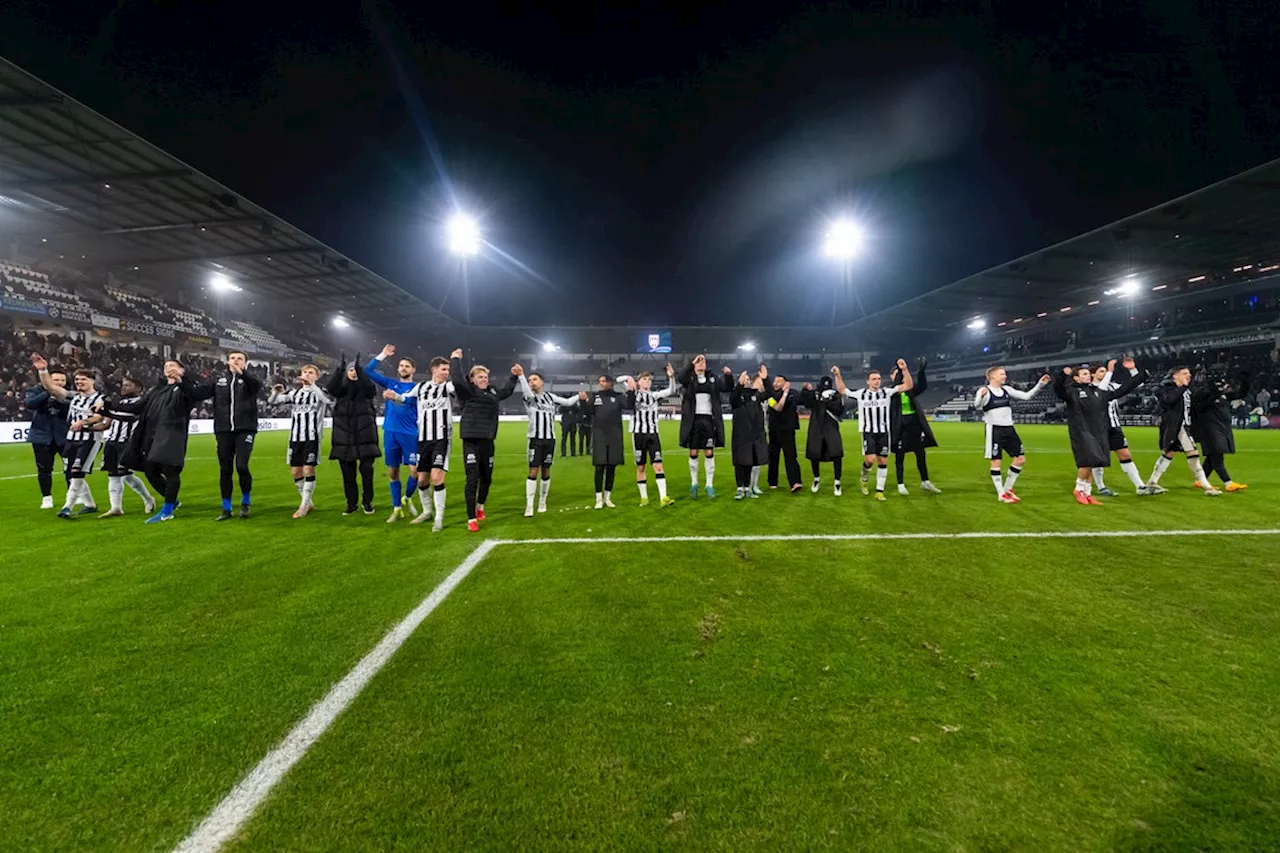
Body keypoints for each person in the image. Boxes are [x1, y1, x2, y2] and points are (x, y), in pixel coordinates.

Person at [114, 359, 204, 523]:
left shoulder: (187, 388)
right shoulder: (158, 389)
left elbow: (193, 397)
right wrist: (107, 406)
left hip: (171, 435)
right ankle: (173, 501)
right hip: (150, 435)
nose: (168, 368)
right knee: (150, 470)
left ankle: (167, 510)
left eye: (173, 366)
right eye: (166, 366)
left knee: (171, 471)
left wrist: (181, 382)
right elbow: (137, 407)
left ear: (182, 370)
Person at [1052, 359, 1148, 504]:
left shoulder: (1098, 392)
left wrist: (1142, 375)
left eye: (1087, 374)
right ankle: (1079, 489)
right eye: (1084, 374)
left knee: (1094, 462)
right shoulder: (1071, 392)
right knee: (1087, 461)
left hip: (1098, 431)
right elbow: (1058, 389)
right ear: (1076, 378)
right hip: (1082, 431)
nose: (1088, 376)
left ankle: (1088, 493)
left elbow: (1123, 390)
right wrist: (1062, 375)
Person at [451, 349, 519, 531]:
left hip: (488, 441)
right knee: (472, 479)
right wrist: (455, 359)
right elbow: (456, 379)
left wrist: (514, 377)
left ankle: (480, 506)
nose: (484, 379)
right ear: (472, 379)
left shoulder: (493, 392)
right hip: (471, 440)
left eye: (485, 376)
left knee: (487, 478)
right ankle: (471, 518)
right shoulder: (467, 391)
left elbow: (506, 391)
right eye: (480, 377)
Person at [386, 356, 456, 529]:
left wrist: (457, 361)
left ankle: (439, 517)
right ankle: (427, 511)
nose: (446, 373)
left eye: (448, 370)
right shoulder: (422, 387)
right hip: (423, 439)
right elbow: (407, 400)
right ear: (434, 369)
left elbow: (460, 385)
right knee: (422, 479)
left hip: (442, 438)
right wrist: (393, 395)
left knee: (436, 476)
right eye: (443, 369)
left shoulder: (448, 387)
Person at [31, 355, 103, 518]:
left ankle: (67, 507)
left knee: (76, 471)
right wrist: (43, 370)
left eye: (83, 379)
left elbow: (99, 417)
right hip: (71, 439)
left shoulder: (101, 398)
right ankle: (90, 505)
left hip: (89, 440)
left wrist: (83, 422)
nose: (78, 382)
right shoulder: (73, 396)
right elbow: (51, 388)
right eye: (77, 380)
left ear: (92, 381)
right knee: (71, 470)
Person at [834, 359, 913, 501]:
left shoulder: (886, 392)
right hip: (868, 432)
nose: (877, 381)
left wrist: (905, 369)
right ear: (868, 382)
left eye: (878, 379)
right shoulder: (861, 394)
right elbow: (842, 390)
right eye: (874, 379)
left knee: (882, 461)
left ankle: (879, 491)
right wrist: (837, 375)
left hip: (883, 432)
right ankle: (864, 477)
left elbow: (908, 385)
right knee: (870, 460)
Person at [199, 350, 262, 521]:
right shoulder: (218, 380)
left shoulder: (250, 380)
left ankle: (245, 502)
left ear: (245, 363)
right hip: (223, 429)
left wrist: (244, 374)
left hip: (245, 428)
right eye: (233, 358)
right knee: (225, 469)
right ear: (227, 361)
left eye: (240, 359)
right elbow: (199, 393)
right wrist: (182, 381)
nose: (235, 361)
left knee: (241, 466)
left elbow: (257, 387)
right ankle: (226, 508)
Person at [974, 367, 1051, 503]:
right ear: (992, 377)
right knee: (996, 461)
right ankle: (1001, 494)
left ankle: (1008, 488)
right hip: (994, 429)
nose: (1005, 376)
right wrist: (981, 397)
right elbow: (977, 406)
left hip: (1009, 429)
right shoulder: (984, 390)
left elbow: (1027, 396)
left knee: (1020, 459)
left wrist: (1040, 384)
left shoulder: (1007, 390)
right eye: (1002, 374)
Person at [83, 376, 156, 518]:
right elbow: (106, 424)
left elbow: (130, 418)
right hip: (112, 442)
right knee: (114, 474)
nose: (123, 387)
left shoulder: (142, 403)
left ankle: (148, 499)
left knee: (124, 473)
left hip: (128, 443)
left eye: (128, 385)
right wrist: (87, 428)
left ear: (139, 388)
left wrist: (107, 410)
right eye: (123, 385)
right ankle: (116, 508)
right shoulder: (119, 402)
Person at [268, 364, 334, 519]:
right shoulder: (295, 393)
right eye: (305, 372)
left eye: (311, 373)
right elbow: (272, 401)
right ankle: (308, 502)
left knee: (308, 469)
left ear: (316, 377)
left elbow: (327, 400)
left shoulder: (319, 392)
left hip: (312, 437)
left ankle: (303, 506)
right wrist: (274, 392)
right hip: (295, 438)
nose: (307, 375)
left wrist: (312, 385)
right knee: (295, 472)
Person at [366, 345, 424, 521]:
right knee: (393, 472)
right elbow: (368, 370)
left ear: (413, 369)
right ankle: (397, 508)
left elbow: (414, 405)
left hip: (410, 433)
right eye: (401, 365)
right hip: (391, 432)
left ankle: (407, 497)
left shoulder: (419, 388)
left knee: (415, 472)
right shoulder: (391, 383)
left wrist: (396, 397)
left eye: (407, 366)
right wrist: (383, 355)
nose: (403, 368)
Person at [1146, 366, 1222, 496]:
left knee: (1169, 453)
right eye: (1185, 373)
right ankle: (1207, 487)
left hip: (1185, 426)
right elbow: (1169, 400)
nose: (1189, 375)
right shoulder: (1165, 389)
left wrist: (1215, 391)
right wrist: (1182, 388)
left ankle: (1152, 482)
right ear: (1175, 376)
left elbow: (1196, 404)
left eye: (1189, 373)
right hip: (1176, 426)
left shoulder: (1186, 391)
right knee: (1193, 454)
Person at [516, 365, 580, 516]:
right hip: (535, 438)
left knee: (546, 470)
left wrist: (579, 395)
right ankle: (529, 505)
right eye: (530, 380)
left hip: (549, 439)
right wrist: (521, 376)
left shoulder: (551, 397)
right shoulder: (530, 398)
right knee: (533, 470)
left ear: (542, 382)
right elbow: (525, 390)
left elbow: (568, 402)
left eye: (535, 379)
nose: (532, 382)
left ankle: (542, 501)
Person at [326, 353, 381, 516]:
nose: (353, 372)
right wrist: (339, 369)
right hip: (344, 438)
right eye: (350, 370)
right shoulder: (341, 391)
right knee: (348, 476)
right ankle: (351, 504)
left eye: (355, 370)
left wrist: (360, 369)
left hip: (365, 438)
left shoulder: (366, 390)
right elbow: (331, 387)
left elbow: (370, 389)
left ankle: (367, 502)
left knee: (367, 473)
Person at [1087, 361, 1152, 496]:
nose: (1104, 373)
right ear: (1093, 374)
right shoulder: (1089, 388)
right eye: (1101, 371)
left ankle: (1140, 486)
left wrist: (1133, 370)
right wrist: (1110, 371)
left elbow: (1135, 385)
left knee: (1125, 454)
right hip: (1098, 428)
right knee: (1099, 458)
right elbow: (1101, 391)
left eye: (1105, 371)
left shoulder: (1112, 386)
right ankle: (1100, 486)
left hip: (1115, 426)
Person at [677, 354, 733, 498]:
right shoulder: (689, 379)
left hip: (709, 420)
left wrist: (728, 376)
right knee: (693, 452)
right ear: (694, 365)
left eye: (703, 362)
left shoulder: (713, 379)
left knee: (709, 452)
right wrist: (691, 363)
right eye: (699, 362)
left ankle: (709, 485)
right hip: (693, 420)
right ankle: (694, 483)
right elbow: (681, 378)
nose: (701, 364)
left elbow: (727, 387)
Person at [624, 363, 678, 507]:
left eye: (649, 380)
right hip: (638, 434)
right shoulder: (633, 394)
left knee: (658, 466)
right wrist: (629, 379)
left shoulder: (655, 395)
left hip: (653, 434)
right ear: (639, 381)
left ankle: (663, 497)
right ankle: (644, 497)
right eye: (645, 379)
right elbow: (619, 380)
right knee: (641, 467)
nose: (647, 382)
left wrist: (671, 376)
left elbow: (672, 390)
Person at [888, 359, 940, 496]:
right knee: (900, 457)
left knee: (921, 454)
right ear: (891, 377)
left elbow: (922, 386)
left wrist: (921, 372)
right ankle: (900, 483)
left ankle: (925, 481)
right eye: (896, 374)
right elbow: (896, 384)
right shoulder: (890, 392)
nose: (899, 376)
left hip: (914, 425)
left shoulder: (910, 391)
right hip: (900, 427)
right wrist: (901, 372)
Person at [24, 364, 69, 509]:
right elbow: (29, 404)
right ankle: (47, 497)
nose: (60, 383)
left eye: (62, 380)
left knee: (70, 467)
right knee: (44, 469)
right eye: (56, 380)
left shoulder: (67, 393)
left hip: (64, 436)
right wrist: (49, 391)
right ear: (48, 379)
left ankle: (73, 494)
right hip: (41, 436)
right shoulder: (35, 390)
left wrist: (59, 395)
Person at [583, 374, 630, 509]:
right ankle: (598, 499)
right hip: (599, 436)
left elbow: (629, 405)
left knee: (611, 468)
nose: (601, 383)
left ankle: (607, 498)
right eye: (600, 381)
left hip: (615, 436)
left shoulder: (618, 396)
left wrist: (631, 391)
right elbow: (587, 412)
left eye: (603, 381)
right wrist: (582, 402)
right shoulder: (595, 397)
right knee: (599, 467)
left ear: (610, 383)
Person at [1192, 380, 1246, 492]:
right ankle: (1228, 483)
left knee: (1212, 457)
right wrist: (1214, 393)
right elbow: (1200, 406)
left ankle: (1201, 480)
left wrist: (1245, 378)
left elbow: (1241, 393)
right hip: (1209, 430)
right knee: (1217, 457)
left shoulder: (1223, 397)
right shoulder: (1204, 399)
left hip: (1222, 429)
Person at [797, 375, 845, 493]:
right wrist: (805, 390)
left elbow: (839, 410)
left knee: (836, 453)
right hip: (816, 427)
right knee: (814, 453)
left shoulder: (835, 394)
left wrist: (827, 401)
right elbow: (806, 403)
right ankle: (816, 478)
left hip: (831, 427)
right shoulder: (815, 394)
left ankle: (837, 482)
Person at [730, 367, 770, 500]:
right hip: (740, 435)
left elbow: (770, 393)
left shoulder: (756, 395)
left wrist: (765, 379)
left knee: (749, 462)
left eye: (748, 380)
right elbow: (733, 398)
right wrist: (739, 385)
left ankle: (747, 488)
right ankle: (739, 488)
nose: (747, 381)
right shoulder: (737, 397)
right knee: (740, 463)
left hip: (754, 435)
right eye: (745, 380)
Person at [766, 374, 803, 493]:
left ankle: (795, 482)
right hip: (774, 430)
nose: (775, 383)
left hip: (788, 430)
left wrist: (807, 390)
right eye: (775, 381)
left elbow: (801, 400)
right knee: (773, 457)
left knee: (791, 457)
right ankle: (772, 482)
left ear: (786, 382)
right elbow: (776, 405)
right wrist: (783, 391)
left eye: (779, 381)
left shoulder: (793, 393)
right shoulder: (770, 394)